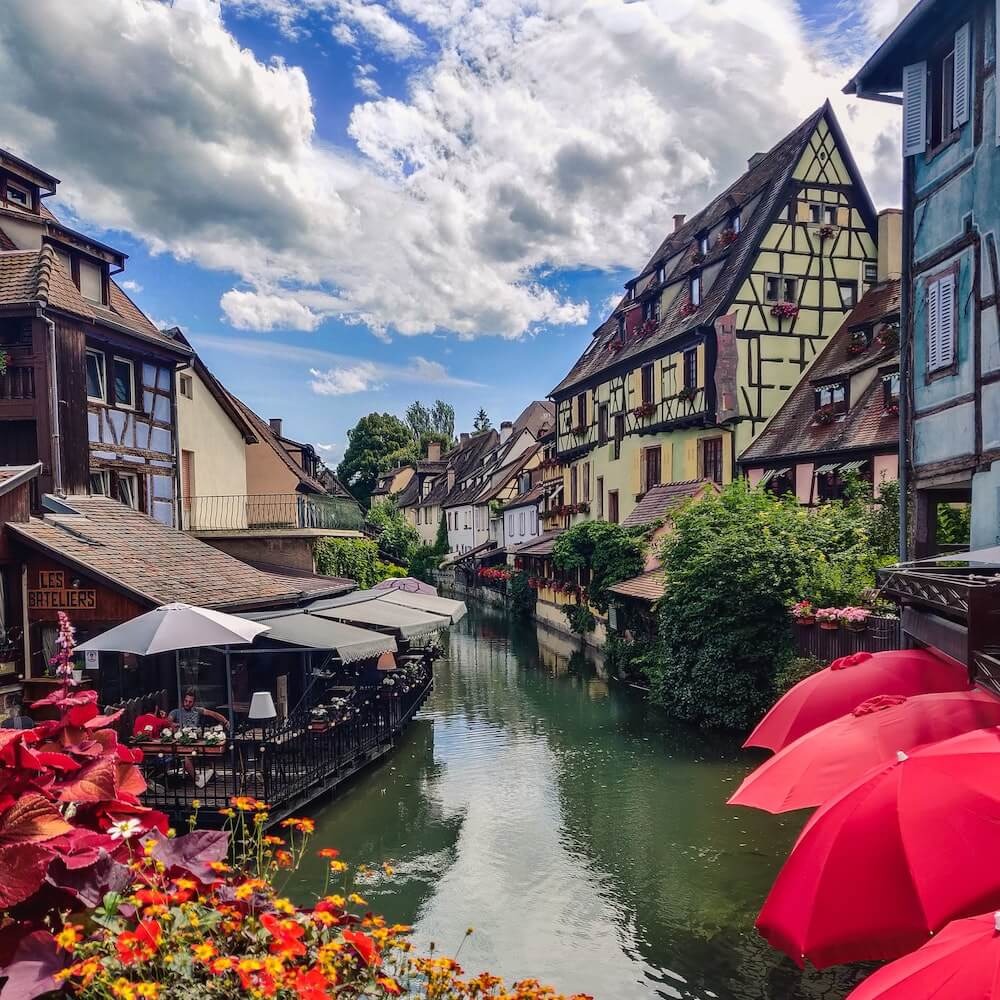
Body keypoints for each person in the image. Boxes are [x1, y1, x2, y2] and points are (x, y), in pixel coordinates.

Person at [169, 689, 228, 788]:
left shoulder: (197, 710)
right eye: (186, 701)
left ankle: (212, 773)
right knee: (187, 756)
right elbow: (168, 721)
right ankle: (197, 779)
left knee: (210, 749)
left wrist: (225, 721)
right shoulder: (176, 712)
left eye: (190, 702)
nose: (187, 703)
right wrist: (174, 724)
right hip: (183, 741)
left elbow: (212, 714)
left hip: (196, 739)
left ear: (194, 703)